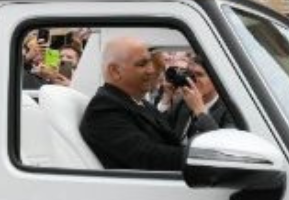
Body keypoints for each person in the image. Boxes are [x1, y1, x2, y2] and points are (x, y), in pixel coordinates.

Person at [80, 36, 212, 171]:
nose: (151, 70)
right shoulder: (104, 110)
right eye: (142, 64)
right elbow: (151, 157)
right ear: (115, 71)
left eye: (150, 63)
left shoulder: (137, 102)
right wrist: (208, 158)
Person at [164, 55, 236, 140]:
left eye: (199, 74)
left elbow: (222, 143)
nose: (192, 79)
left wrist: (200, 111)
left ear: (216, 79)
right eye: (189, 74)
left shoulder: (230, 111)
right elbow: (162, 132)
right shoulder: (183, 103)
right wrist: (165, 100)